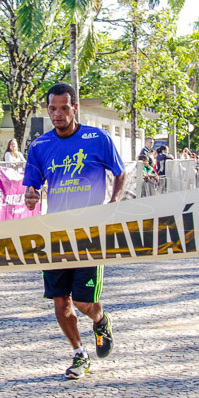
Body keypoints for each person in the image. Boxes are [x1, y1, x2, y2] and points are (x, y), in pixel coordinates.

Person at [24, 83, 125, 380]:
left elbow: (119, 172)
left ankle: (100, 318)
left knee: (82, 303)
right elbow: (32, 186)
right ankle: (79, 354)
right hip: (54, 234)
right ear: (47, 109)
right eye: (52, 108)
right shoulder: (40, 146)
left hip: (89, 233)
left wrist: (114, 201)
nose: (58, 114)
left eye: (64, 108)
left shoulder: (97, 138)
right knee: (60, 301)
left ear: (74, 108)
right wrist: (31, 196)